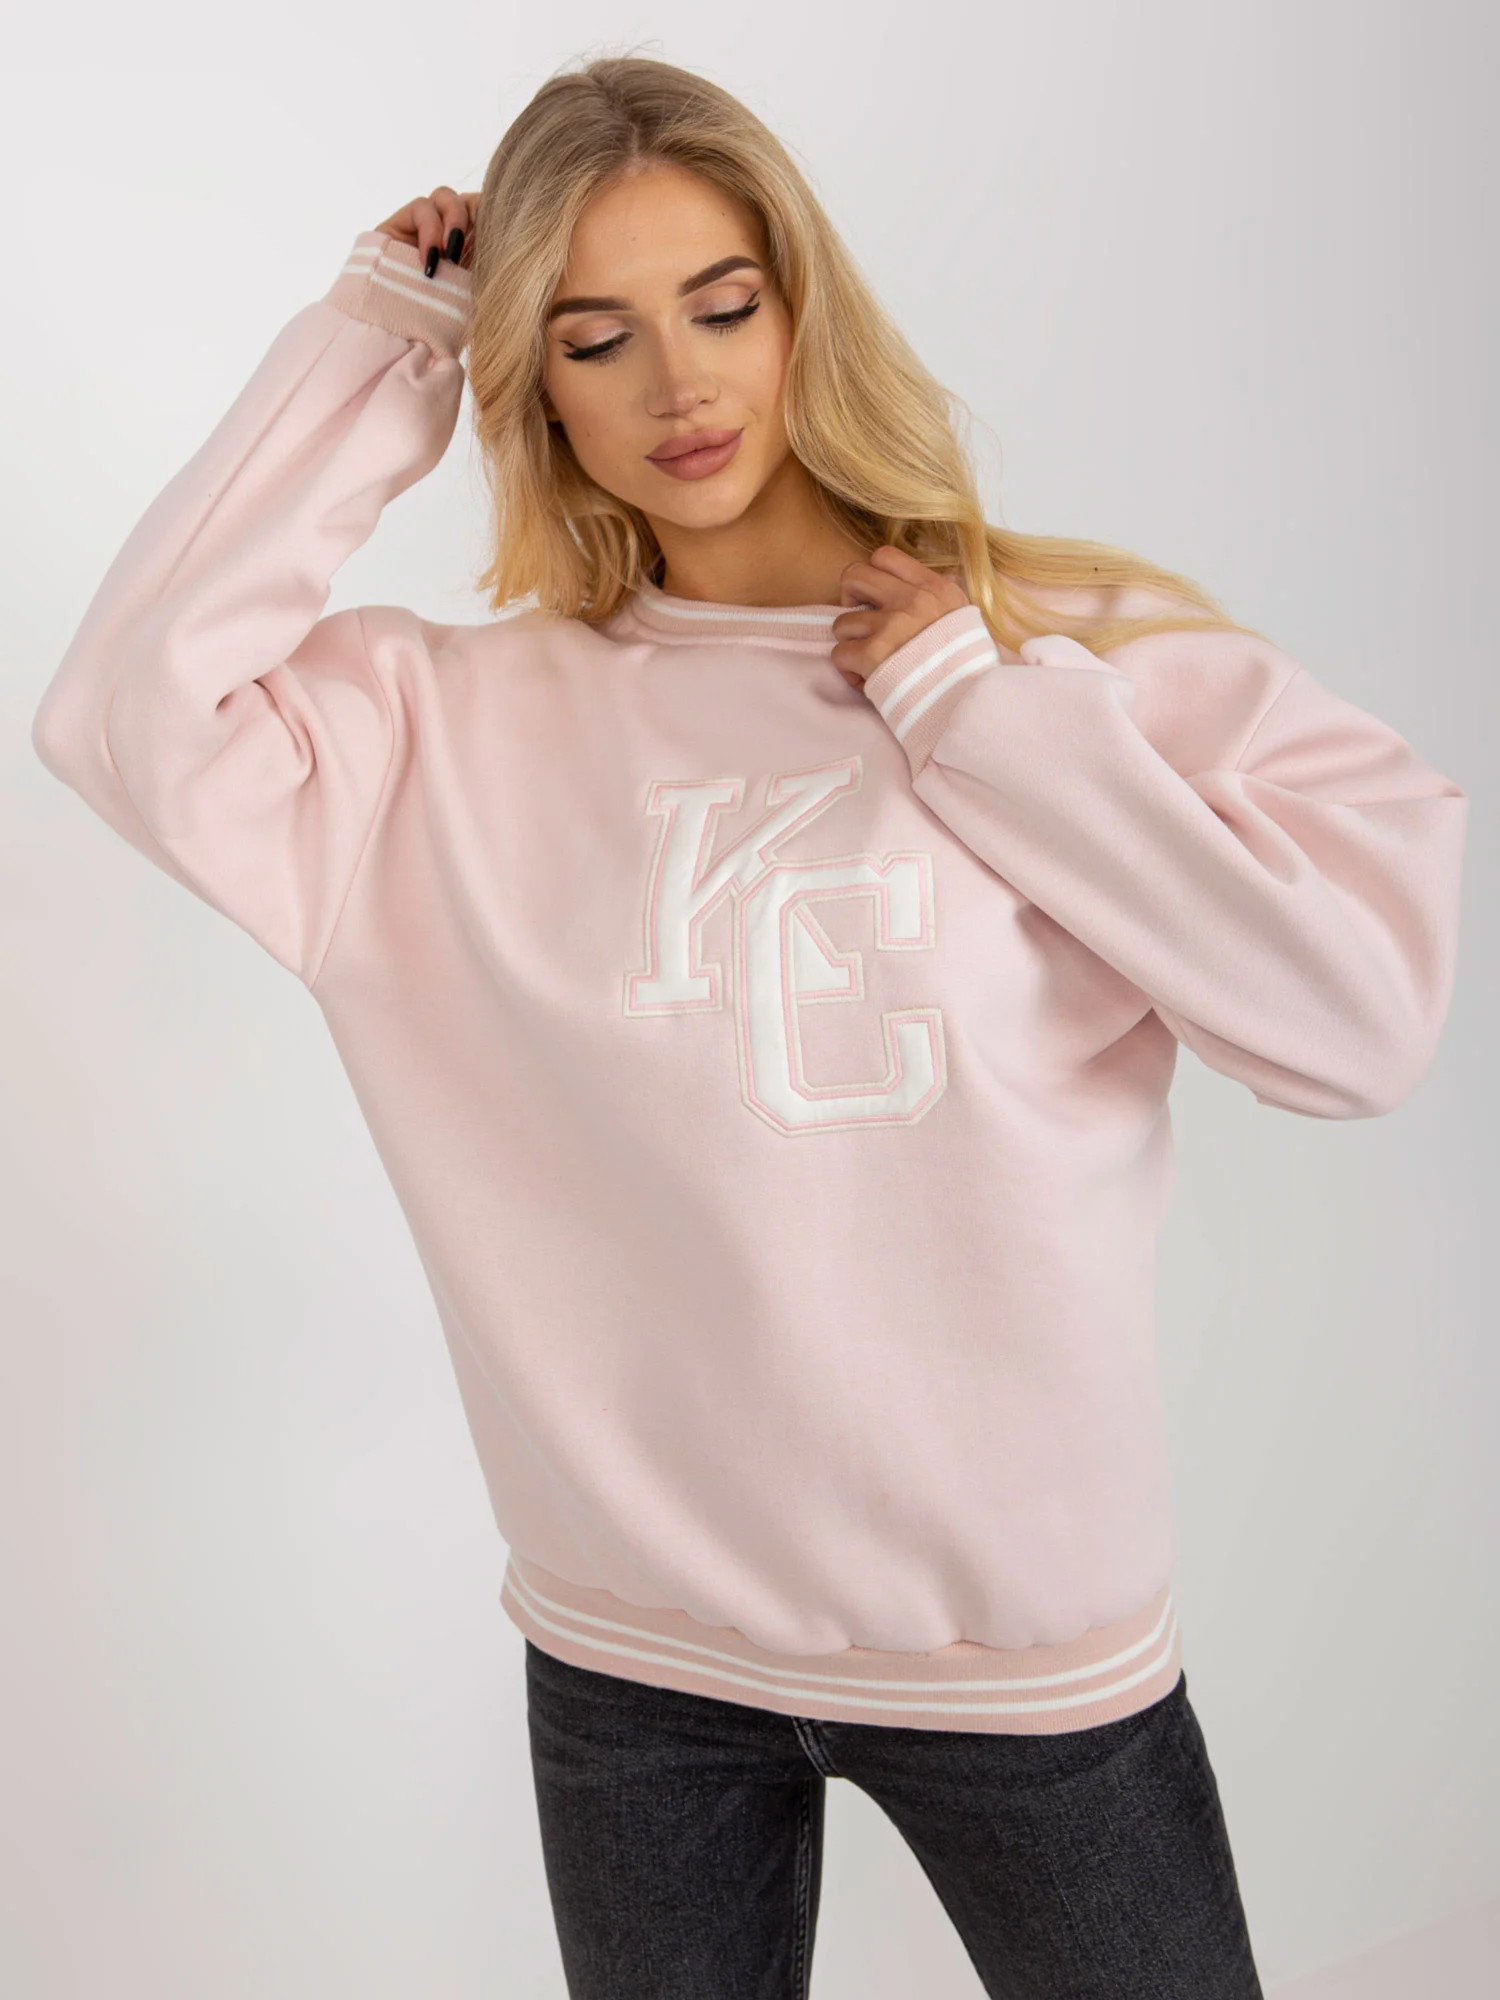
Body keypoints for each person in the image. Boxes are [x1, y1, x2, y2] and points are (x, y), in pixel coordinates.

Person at [33, 52, 1466, 2000]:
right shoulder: (438, 734)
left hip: (1023, 1668)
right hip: (634, 1665)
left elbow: (1357, 1023)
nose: (678, 385)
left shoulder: (1067, 655)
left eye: (722, 305)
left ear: (806, 307)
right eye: (592, 335)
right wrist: (378, 344)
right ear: (531, 380)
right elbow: (121, 718)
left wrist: (983, 717)